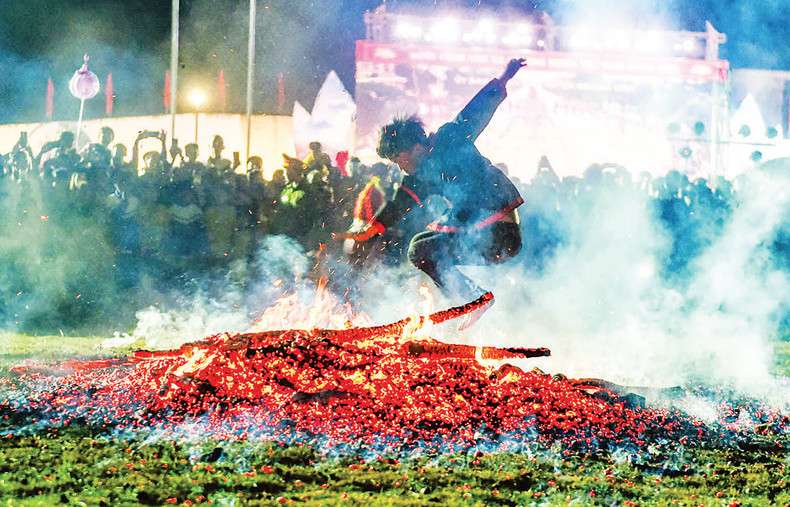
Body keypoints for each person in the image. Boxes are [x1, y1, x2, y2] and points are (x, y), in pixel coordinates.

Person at [347, 58, 527, 329]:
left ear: (415, 147)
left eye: (400, 158)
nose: (401, 166)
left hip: (499, 234)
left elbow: (477, 110)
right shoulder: (420, 176)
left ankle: (477, 299)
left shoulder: (450, 138)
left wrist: (504, 77)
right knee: (419, 248)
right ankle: (476, 299)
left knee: (422, 248)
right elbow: (401, 202)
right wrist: (371, 230)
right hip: (480, 237)